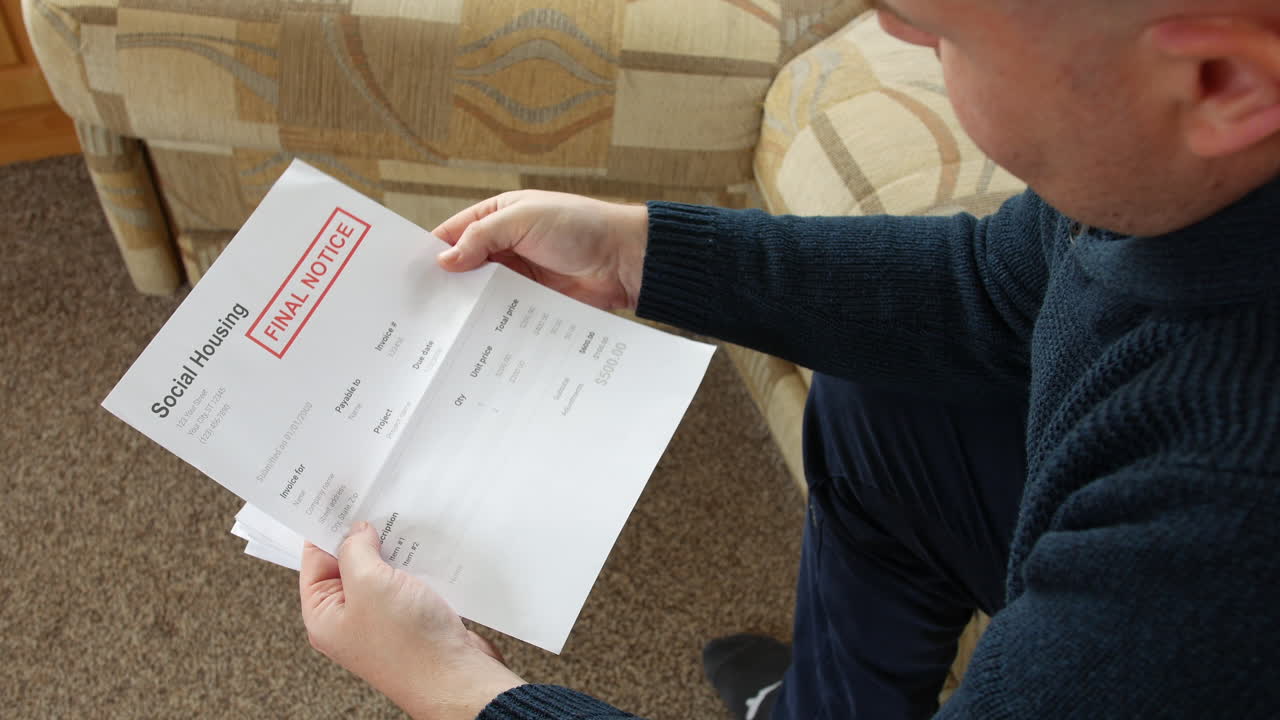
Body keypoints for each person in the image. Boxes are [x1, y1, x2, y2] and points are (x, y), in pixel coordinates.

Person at [297, 0, 1280, 717]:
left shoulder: (1213, 530)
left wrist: (455, 689)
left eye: (938, 31)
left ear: (1221, 82)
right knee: (890, 395)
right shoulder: (1185, 181)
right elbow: (998, 284)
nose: (893, 33)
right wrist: (637, 251)